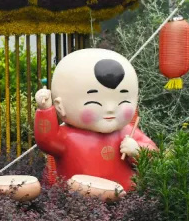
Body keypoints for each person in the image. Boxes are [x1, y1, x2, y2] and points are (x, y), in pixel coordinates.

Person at [34, 48, 157, 192]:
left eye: (122, 101)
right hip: (78, 199)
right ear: (60, 106)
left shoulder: (129, 133)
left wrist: (138, 151)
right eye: (94, 102)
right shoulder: (67, 136)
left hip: (127, 197)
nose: (110, 108)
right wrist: (45, 110)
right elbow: (47, 141)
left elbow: (155, 157)